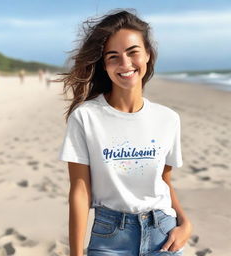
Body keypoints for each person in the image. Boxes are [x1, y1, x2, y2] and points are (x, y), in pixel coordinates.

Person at [58, 9, 192, 256]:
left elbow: (164, 183)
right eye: (113, 56)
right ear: (104, 65)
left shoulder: (168, 119)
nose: (125, 64)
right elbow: (79, 190)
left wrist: (186, 224)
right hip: (110, 238)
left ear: (148, 55)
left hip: (163, 234)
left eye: (133, 53)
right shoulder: (86, 117)